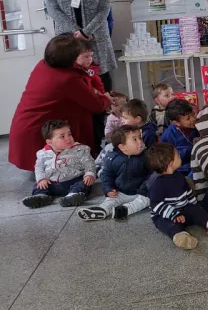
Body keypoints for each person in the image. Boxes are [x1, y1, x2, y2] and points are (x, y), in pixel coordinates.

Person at [9, 35, 111, 171]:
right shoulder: (68, 79)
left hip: (25, 125)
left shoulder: (43, 64)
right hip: (39, 131)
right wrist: (107, 97)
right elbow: (97, 105)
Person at [46, 0, 116, 92]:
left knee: (101, 78)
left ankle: (104, 113)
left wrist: (86, 31)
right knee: (71, 77)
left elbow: (104, 9)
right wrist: (75, 32)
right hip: (67, 39)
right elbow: (52, 8)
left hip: (95, 36)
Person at [146, 143, 208, 251]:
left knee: (196, 210)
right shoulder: (157, 185)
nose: (180, 156)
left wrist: (195, 205)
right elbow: (155, 204)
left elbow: (188, 191)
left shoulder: (179, 176)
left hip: (183, 208)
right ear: (170, 163)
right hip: (165, 214)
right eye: (178, 156)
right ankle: (180, 236)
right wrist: (173, 214)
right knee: (168, 224)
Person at [77, 125, 150, 222]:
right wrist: (108, 189)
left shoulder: (147, 156)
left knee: (146, 200)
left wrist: (144, 190)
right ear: (122, 147)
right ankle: (102, 210)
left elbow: (151, 175)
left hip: (141, 192)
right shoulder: (112, 157)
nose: (140, 142)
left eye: (140, 138)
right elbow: (106, 175)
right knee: (110, 200)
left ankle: (125, 210)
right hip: (120, 192)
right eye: (135, 139)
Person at [22, 120, 95, 209]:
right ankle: (40, 196)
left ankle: (73, 196)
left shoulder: (80, 149)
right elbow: (39, 168)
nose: (68, 138)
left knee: (84, 183)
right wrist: (41, 179)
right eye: (62, 137)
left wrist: (89, 174)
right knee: (39, 185)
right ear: (49, 142)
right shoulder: (43, 154)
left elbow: (89, 163)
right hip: (52, 182)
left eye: (69, 134)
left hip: (73, 180)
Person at [159, 99, 198, 174]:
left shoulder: (199, 126)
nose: (193, 119)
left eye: (193, 114)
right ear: (176, 122)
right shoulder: (169, 135)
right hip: (182, 170)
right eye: (188, 119)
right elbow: (165, 158)